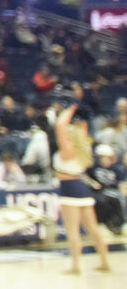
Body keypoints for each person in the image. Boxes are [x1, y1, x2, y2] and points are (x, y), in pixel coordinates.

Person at [53, 111, 113, 275]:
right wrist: (82, 128)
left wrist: (68, 111)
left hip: (69, 189)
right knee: (93, 229)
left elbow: (59, 126)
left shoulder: (68, 150)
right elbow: (81, 133)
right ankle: (104, 262)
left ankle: (76, 265)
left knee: (72, 230)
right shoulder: (83, 148)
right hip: (82, 188)